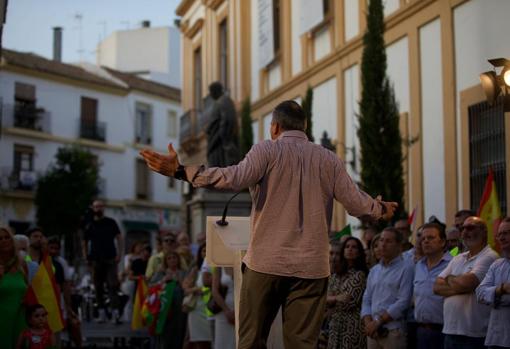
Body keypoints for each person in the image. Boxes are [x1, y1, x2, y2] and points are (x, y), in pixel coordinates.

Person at [140, 100, 397, 348]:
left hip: (266, 262)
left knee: (252, 341)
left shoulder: (267, 149)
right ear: (303, 127)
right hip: (312, 268)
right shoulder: (328, 159)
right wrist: (381, 208)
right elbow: (357, 203)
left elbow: (233, 177)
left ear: (274, 127)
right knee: (302, 344)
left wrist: (181, 171)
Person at [433, 216, 498, 349]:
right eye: (462, 228)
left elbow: (468, 283)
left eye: (470, 228)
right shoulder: (457, 258)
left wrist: (450, 279)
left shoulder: (489, 256)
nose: (465, 232)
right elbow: (436, 287)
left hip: (475, 336)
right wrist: (461, 285)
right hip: (450, 332)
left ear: (484, 232)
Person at [361, 227, 414, 349]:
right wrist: (369, 323)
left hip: (393, 331)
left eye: (388, 241)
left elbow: (403, 301)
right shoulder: (375, 270)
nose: (383, 244)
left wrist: (378, 322)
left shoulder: (407, 268)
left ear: (399, 246)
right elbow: (366, 299)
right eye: (381, 240)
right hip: (373, 332)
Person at [82, 199, 123, 324]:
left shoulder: (111, 222)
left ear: (103, 208)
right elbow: (84, 242)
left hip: (110, 258)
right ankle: (101, 313)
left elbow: (119, 238)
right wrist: (85, 257)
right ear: (93, 208)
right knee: (98, 287)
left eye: (100, 206)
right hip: (95, 259)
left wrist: (119, 254)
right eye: (96, 206)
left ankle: (115, 313)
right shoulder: (89, 224)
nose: (98, 208)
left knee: (112, 285)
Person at [413, 223, 452, 349]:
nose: (425, 241)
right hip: (421, 331)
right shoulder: (419, 266)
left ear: (442, 242)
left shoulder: (453, 264)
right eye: (423, 239)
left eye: (430, 238)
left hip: (444, 331)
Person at [326, 237, 368, 349]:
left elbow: (347, 302)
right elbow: (325, 301)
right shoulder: (335, 275)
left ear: (359, 252)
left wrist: (331, 299)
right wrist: (335, 298)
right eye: (347, 246)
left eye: (354, 247)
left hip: (351, 326)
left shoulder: (359, 275)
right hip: (334, 326)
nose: (350, 249)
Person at [476, 217, 510, 349]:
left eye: (506, 233)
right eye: (499, 234)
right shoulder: (497, 265)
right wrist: (501, 289)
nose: (501, 238)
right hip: (496, 339)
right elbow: (479, 293)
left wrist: (494, 299)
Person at [149, 251, 187, 349]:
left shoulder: (184, 272)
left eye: (174, 257)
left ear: (178, 259)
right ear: (165, 261)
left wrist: (179, 280)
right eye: (169, 258)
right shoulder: (160, 273)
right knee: (165, 334)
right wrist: (163, 281)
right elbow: (150, 287)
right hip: (164, 309)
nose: (172, 260)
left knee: (179, 331)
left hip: (179, 308)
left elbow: (188, 287)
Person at [0, 227, 28, 349]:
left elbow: (27, 289)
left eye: (7, 237)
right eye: (0, 238)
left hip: (20, 317)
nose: (4, 241)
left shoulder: (21, 263)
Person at [183, 243, 212, 349]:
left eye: (207, 250)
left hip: (211, 307)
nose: (205, 253)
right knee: (198, 342)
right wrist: (195, 289)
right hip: (196, 309)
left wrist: (198, 289)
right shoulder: (196, 269)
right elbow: (186, 288)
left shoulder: (215, 268)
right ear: (200, 253)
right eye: (203, 251)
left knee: (211, 340)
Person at [204, 81, 241, 167]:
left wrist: (225, 142)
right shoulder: (220, 102)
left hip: (220, 146)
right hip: (216, 145)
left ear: (216, 91)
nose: (210, 95)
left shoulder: (224, 101)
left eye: (211, 92)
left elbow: (228, 121)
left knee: (221, 172)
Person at [212, 267, 235, 349]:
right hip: (223, 312)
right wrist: (227, 311)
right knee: (222, 343)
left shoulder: (243, 262)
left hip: (241, 311)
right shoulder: (219, 267)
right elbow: (214, 291)